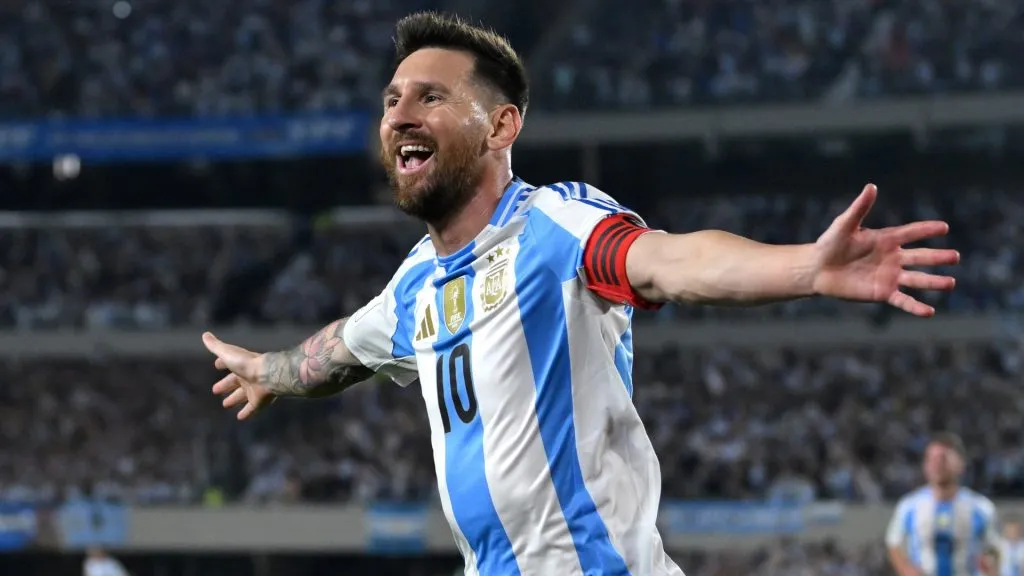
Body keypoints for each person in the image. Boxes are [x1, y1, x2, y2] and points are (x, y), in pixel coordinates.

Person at [203, 11, 959, 576]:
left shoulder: (553, 225)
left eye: (430, 97)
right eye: (393, 99)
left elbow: (669, 261)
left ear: (502, 125)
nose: (399, 114)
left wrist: (805, 268)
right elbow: (338, 352)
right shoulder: (413, 287)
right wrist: (267, 372)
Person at [886, 433, 1000, 576]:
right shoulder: (909, 506)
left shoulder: (981, 508)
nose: (937, 464)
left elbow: (994, 548)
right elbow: (894, 542)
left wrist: (990, 564)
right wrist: (907, 570)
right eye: (931, 459)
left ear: (960, 464)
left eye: (943, 458)